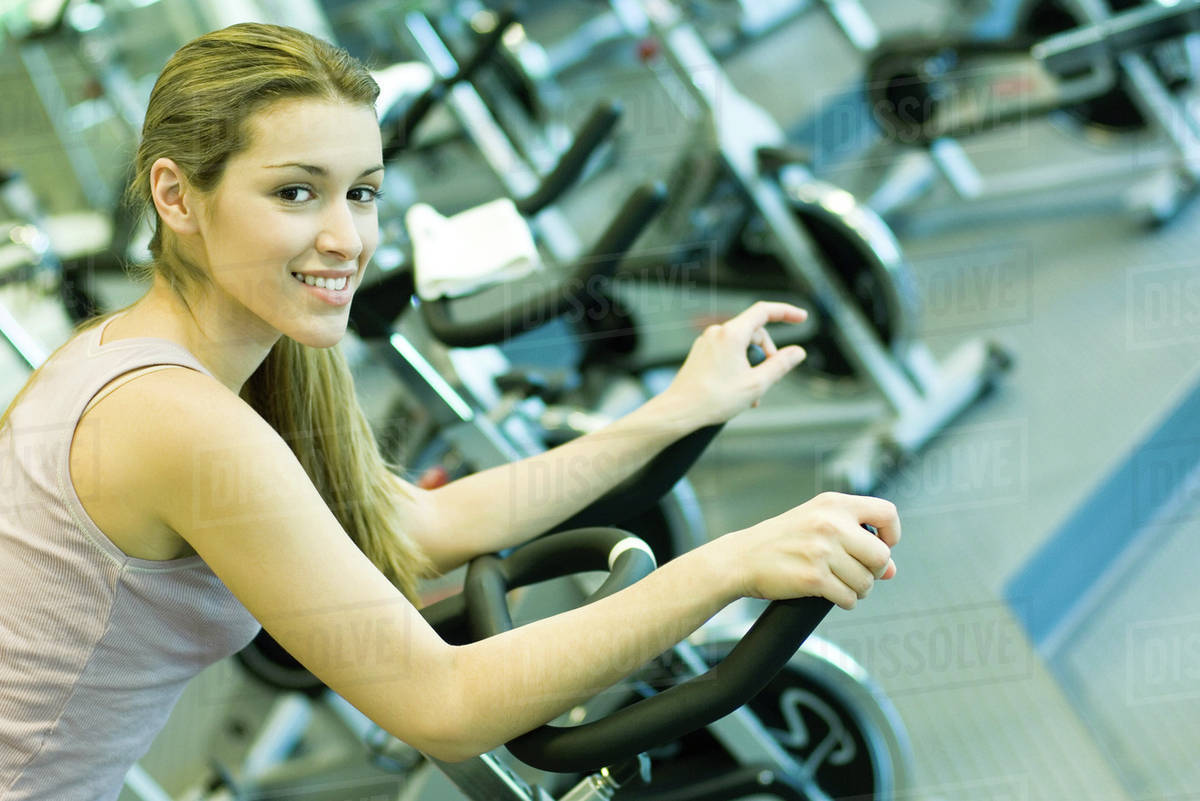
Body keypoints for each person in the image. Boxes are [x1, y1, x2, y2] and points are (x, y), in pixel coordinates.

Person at [0, 22, 900, 801]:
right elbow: (444, 703)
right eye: (294, 192)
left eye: (362, 191)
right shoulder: (174, 419)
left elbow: (416, 521)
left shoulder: (143, 356)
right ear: (175, 195)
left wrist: (670, 410)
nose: (345, 238)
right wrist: (735, 563)